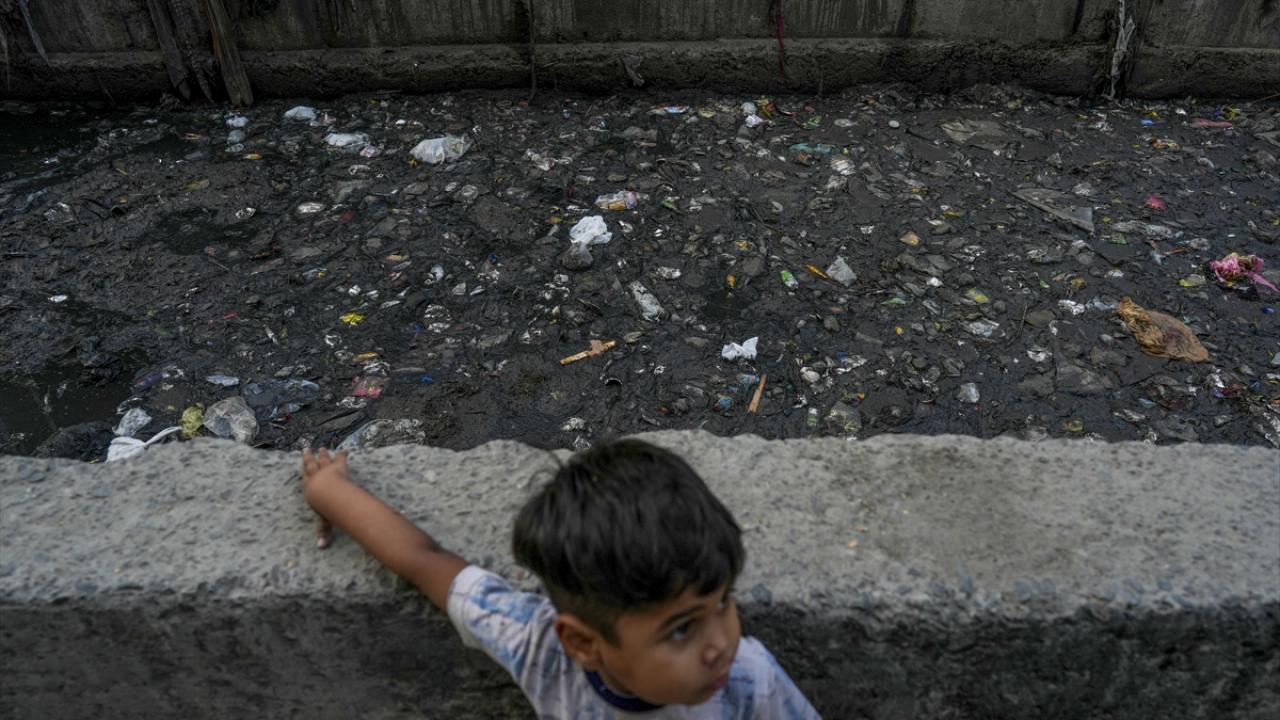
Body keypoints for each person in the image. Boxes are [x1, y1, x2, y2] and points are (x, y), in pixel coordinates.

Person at [301, 439, 821, 719]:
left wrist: (330, 492)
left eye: (723, 602)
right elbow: (426, 562)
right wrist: (327, 490)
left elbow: (429, 562)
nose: (721, 644)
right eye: (682, 628)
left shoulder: (749, 682)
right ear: (583, 643)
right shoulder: (539, 648)